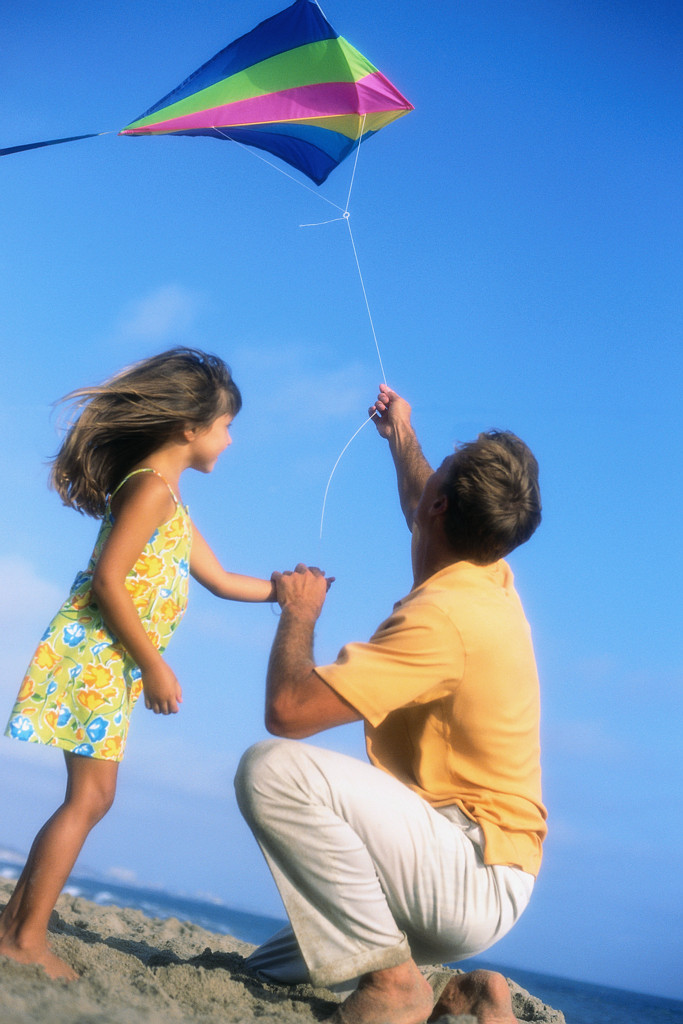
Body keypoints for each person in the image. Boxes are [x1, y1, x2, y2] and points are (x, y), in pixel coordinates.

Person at [234, 383, 547, 1024]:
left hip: (468, 873)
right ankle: (463, 995)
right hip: (448, 865)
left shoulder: (446, 618)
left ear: (442, 507)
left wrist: (298, 613)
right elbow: (422, 493)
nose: (428, 487)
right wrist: (400, 432)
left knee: (271, 768)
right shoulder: (487, 567)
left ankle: (400, 986)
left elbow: (288, 710)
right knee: (260, 972)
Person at [0, 347, 276, 980]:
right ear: (190, 428)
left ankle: (15, 925)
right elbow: (108, 580)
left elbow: (223, 579)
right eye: (226, 427)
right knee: (91, 798)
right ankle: (21, 938)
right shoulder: (150, 490)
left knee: (92, 797)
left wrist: (285, 590)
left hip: (107, 661)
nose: (229, 442)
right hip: (98, 653)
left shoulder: (170, 502)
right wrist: (154, 666)